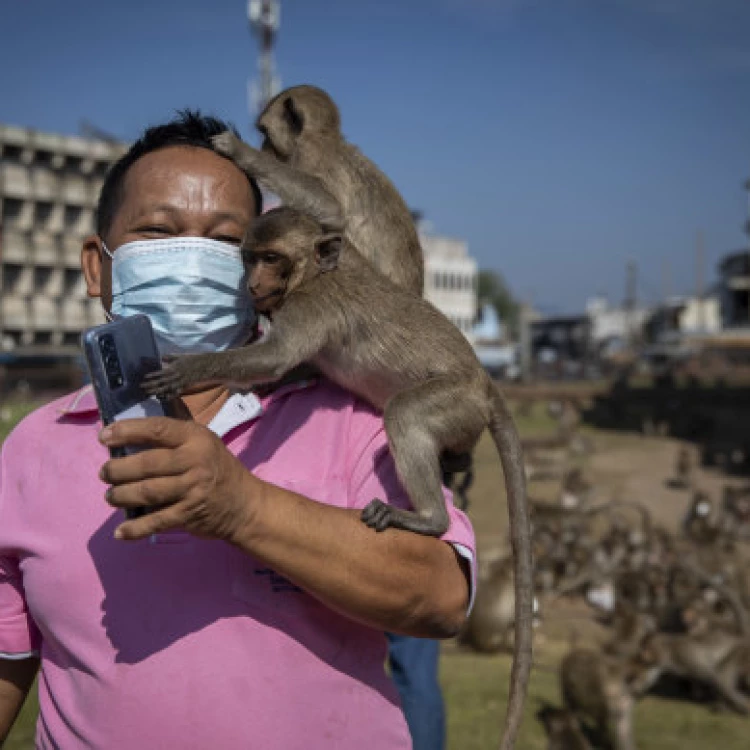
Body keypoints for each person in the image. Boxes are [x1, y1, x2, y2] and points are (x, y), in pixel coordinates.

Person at [0, 112, 476, 749]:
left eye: (226, 241)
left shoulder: (349, 417)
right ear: (97, 267)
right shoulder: (31, 447)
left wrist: (240, 507)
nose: (195, 261)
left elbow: (441, 596)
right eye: (159, 231)